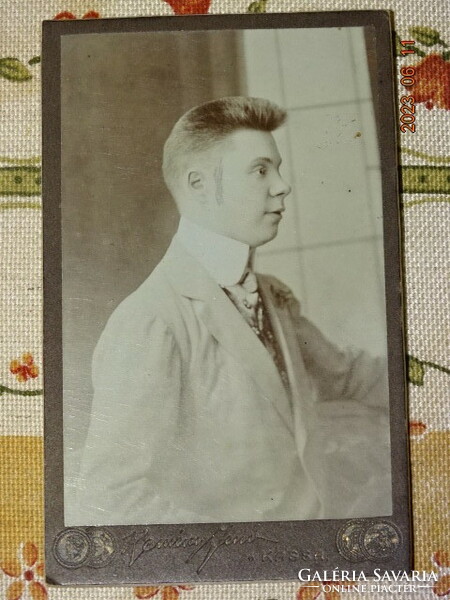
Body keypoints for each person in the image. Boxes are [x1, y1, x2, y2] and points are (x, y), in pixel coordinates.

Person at [72, 96, 391, 526]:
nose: (282, 186)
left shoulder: (272, 295)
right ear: (198, 184)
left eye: (276, 169)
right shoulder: (151, 321)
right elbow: (112, 498)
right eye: (261, 170)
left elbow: (350, 377)